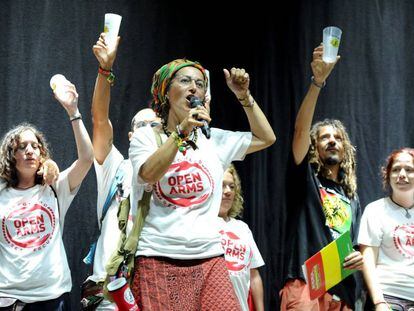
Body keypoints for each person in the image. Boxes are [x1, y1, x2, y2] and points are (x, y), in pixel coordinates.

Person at [128, 58, 275, 310]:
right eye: (185, 81)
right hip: (159, 256)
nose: (194, 88)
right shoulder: (147, 137)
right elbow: (148, 174)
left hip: (210, 256)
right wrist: (180, 134)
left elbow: (266, 137)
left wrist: (244, 96)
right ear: (165, 90)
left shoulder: (212, 140)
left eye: (199, 84)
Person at [279, 44, 364, 310]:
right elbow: (300, 130)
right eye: (324, 137)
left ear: (345, 148)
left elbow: (356, 246)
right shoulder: (306, 180)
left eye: (337, 137)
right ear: (314, 146)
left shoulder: (352, 197)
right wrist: (317, 82)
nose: (331, 141)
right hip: (306, 285)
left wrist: (358, 259)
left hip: (344, 292)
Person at [81, 33, 160, 310]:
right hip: (110, 295)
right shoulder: (116, 167)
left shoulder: (172, 173)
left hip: (155, 289)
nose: (149, 131)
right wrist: (105, 70)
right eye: (142, 126)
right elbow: (100, 119)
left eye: (156, 126)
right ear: (130, 136)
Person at [0, 79, 94, 310]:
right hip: (9, 298)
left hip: (51, 297)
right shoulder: (2, 193)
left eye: (35, 146)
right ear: (11, 155)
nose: (30, 150)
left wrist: (73, 112)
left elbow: (86, 159)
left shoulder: (54, 188)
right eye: (22, 147)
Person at [358, 148, 414, 310]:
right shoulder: (375, 210)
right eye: (396, 169)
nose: (402, 174)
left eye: (409, 169)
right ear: (388, 175)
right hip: (388, 297)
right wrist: (379, 302)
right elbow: (368, 261)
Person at [219, 164, 264, 311]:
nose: (228, 192)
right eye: (222, 185)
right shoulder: (202, 223)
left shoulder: (242, 228)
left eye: (232, 187)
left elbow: (254, 275)